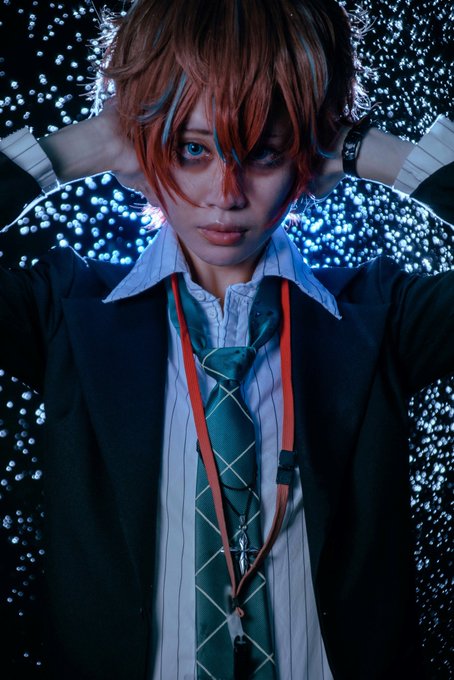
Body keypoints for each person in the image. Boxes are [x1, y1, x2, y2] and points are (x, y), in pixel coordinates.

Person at [0, 0, 452, 678]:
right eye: (192, 148)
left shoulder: (379, 315)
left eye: (264, 152)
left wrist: (369, 150)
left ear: (309, 154)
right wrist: (83, 146)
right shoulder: (65, 312)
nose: (225, 193)